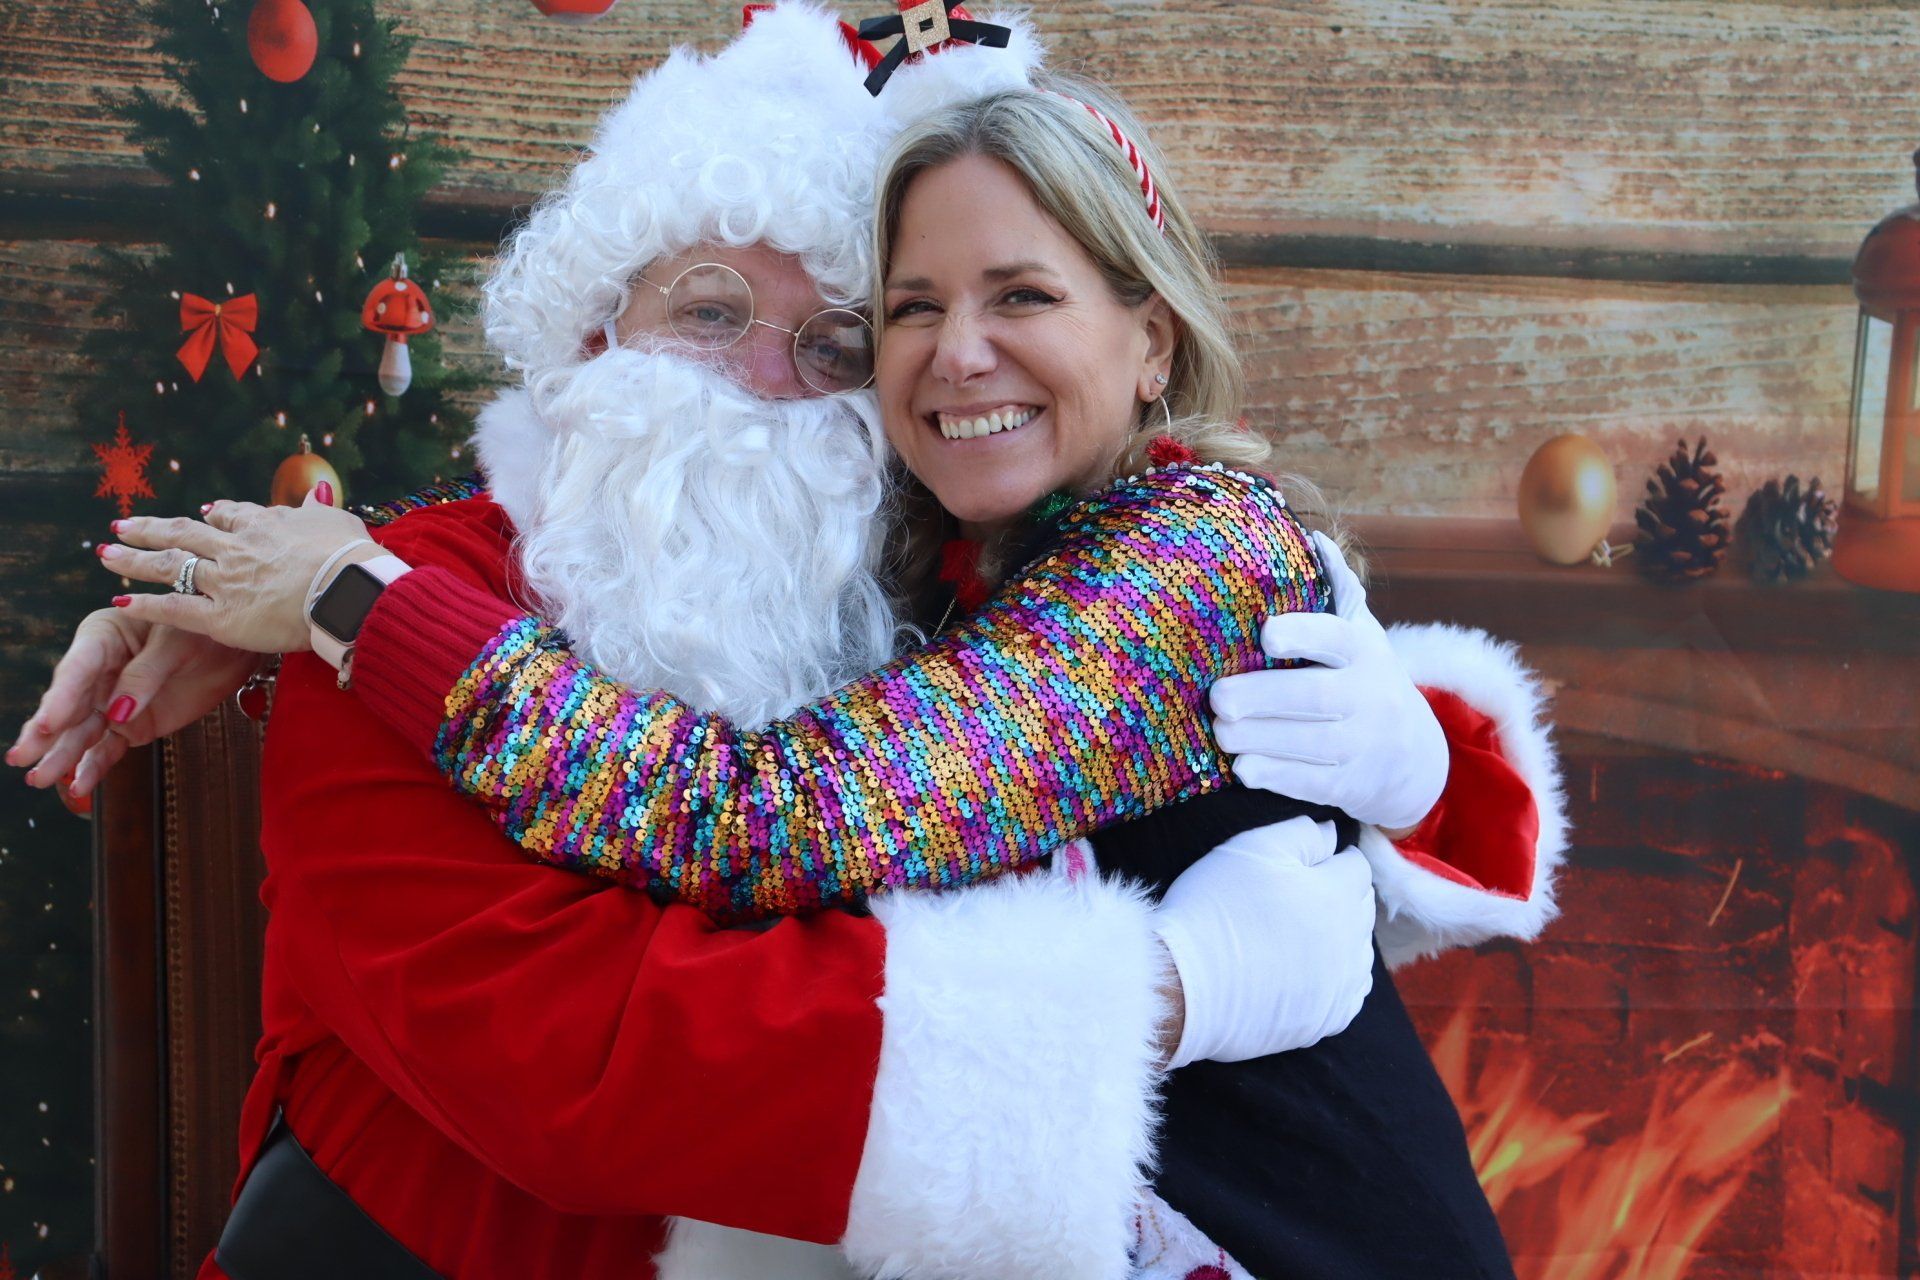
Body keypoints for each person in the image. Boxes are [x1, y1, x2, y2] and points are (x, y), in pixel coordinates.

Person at [13, 7, 1564, 1277]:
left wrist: (1405, 765)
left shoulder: (934, 599)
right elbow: (602, 1068)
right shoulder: (407, 613)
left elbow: (777, 809)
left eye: (830, 342)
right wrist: (1171, 984)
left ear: (1145, 334)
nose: (766, 384)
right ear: (589, 341)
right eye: (706, 312)